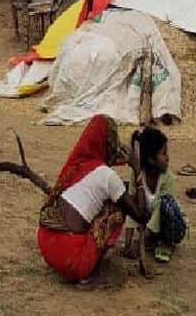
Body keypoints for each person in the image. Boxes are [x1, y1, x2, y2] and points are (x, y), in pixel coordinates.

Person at [37, 115, 150, 287]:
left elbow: (103, 169)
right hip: (71, 261)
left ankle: (82, 257)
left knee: (112, 198)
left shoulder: (78, 164)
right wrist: (137, 170)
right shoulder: (107, 177)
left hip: (47, 244)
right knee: (116, 210)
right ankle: (88, 274)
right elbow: (141, 215)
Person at [124, 127, 187, 263]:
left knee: (166, 203)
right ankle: (152, 240)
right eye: (163, 154)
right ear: (151, 160)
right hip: (150, 224)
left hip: (172, 228)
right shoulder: (137, 174)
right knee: (125, 197)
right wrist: (127, 243)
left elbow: (160, 212)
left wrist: (139, 242)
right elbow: (131, 207)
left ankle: (166, 243)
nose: (167, 157)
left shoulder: (167, 177)